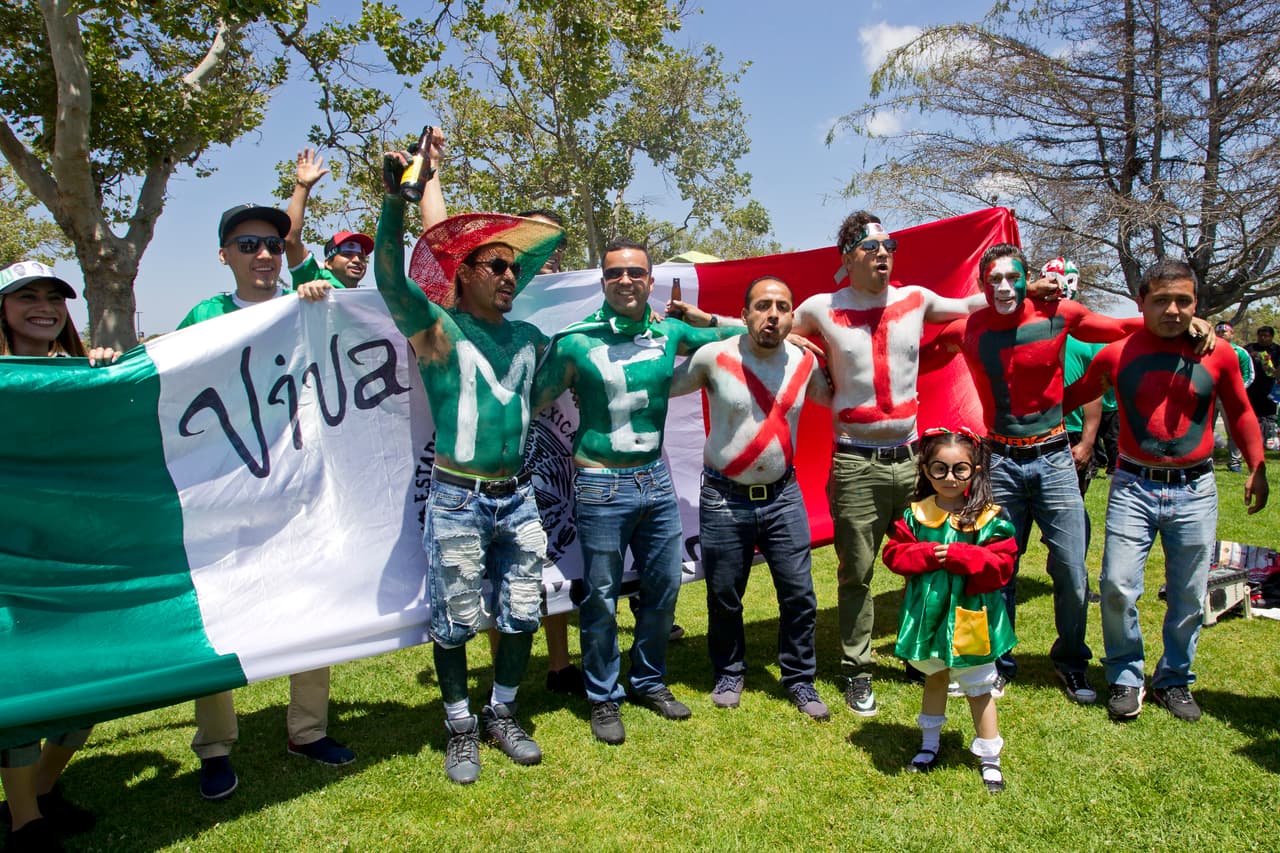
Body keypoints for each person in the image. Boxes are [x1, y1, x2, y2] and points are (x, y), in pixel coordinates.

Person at [926, 243, 1212, 705]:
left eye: (1013, 278)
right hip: (998, 458)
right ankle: (999, 661)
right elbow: (914, 353)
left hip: (1054, 457)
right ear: (981, 284)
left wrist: (1190, 322)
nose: (1004, 287)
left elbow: (1123, 326)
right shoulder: (966, 328)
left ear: (1027, 279)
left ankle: (1072, 661)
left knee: (1072, 568)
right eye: (994, 279)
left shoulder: (1060, 314)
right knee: (997, 563)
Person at [376, 151, 563, 784]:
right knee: (455, 619)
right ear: (465, 272)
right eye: (497, 265)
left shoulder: (532, 339)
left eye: (515, 267)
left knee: (523, 610)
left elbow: (557, 383)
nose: (511, 275)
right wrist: (395, 203)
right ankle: (459, 727)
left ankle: (502, 713)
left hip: (521, 496)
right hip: (457, 497)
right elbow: (389, 280)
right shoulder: (436, 330)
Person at [780, 211, 994, 717]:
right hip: (855, 460)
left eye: (889, 246)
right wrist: (789, 338)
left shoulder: (915, 299)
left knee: (929, 558)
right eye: (871, 246)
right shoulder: (822, 307)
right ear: (847, 256)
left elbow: (972, 303)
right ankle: (857, 669)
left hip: (914, 459)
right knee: (856, 572)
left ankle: (923, 655)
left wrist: (1028, 291)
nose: (883, 253)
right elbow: (765, 326)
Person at [178, 204, 354, 801]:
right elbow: (163, 379)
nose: (263, 255)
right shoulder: (204, 316)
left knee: (314, 606)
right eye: (248, 244)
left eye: (274, 246)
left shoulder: (307, 303)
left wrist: (317, 293)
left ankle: (308, 730)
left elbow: (355, 334)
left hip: (300, 489)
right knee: (218, 615)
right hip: (225, 495)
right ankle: (215, 747)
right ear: (224, 255)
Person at [532, 238, 739, 745]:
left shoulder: (669, 332)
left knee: (664, 587)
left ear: (650, 279)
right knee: (601, 596)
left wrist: (703, 316)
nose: (625, 280)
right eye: (614, 273)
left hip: (656, 479)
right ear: (602, 281)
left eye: (635, 272)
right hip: (600, 483)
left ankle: (648, 679)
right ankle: (603, 695)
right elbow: (529, 400)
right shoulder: (576, 341)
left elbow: (743, 333)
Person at [1064, 259, 1268, 723]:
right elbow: (1070, 396)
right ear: (1141, 303)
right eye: (1161, 301)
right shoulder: (1116, 354)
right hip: (1133, 485)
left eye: (1183, 301)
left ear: (1197, 304)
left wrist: (1257, 465)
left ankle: (1174, 678)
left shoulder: (1218, 355)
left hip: (1195, 488)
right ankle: (1125, 674)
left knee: (1189, 594)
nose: (1173, 310)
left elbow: (1240, 411)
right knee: (1117, 585)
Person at [669, 276, 833, 719]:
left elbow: (842, 397)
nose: (772, 315)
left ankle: (799, 677)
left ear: (793, 317)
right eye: (762, 306)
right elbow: (659, 385)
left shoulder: (805, 362)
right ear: (744, 315)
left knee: (799, 594)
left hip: (783, 496)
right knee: (725, 594)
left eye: (782, 307)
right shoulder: (713, 356)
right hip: (724, 498)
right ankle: (729, 671)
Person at [0, 261, 116, 852]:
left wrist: (105, 374)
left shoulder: (82, 373)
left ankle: (43, 790)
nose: (43, 307)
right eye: (27, 297)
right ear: (3, 309)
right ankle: (25, 823)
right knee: (21, 687)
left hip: (77, 556)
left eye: (54, 297)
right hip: (12, 561)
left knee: (89, 684)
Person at [882, 428, 1016, 793]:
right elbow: (893, 554)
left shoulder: (988, 517)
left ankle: (990, 757)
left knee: (979, 686)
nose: (950, 478)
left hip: (971, 617)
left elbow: (1003, 564)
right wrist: (926, 554)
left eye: (960, 469)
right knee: (935, 676)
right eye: (940, 469)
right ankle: (928, 745)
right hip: (931, 616)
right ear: (926, 470)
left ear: (975, 470)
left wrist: (965, 556)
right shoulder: (916, 515)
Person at [283, 148, 373, 290]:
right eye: (347, 254)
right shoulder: (313, 279)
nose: (357, 260)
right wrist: (303, 186)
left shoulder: (366, 298)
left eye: (362, 257)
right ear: (329, 263)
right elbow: (291, 241)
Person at [1213, 322, 1254, 472]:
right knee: (1205, 430)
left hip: (1229, 398)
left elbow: (1248, 375)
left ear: (1232, 333)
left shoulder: (1240, 352)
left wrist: (1235, 392)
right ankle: (1205, 461)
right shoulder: (1206, 350)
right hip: (1210, 397)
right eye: (1218, 332)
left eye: (1224, 331)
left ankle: (1235, 462)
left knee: (1233, 431)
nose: (1221, 334)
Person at [1244, 326, 1277, 451]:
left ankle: (1269, 440)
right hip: (1251, 388)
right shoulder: (1249, 348)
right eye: (1260, 335)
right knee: (1252, 416)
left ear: (1271, 337)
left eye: (1266, 336)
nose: (1263, 338)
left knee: (1269, 416)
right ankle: (1253, 441)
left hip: (1270, 388)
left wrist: (1273, 370)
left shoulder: (1277, 350)